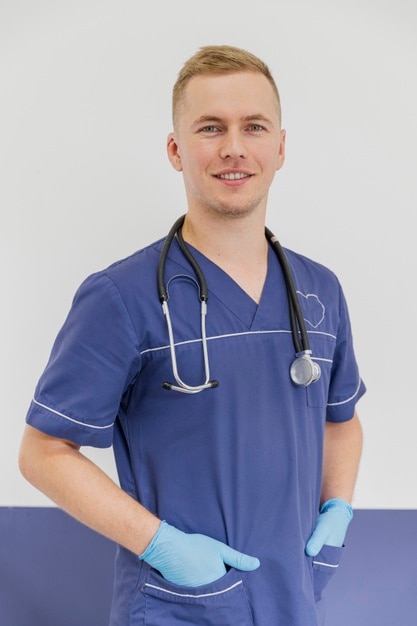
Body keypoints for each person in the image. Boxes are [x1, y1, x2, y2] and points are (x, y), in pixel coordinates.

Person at [19, 45, 365, 625]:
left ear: (280, 147)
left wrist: (337, 511)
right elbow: (44, 452)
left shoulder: (319, 291)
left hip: (295, 599)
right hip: (180, 605)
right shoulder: (121, 296)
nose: (234, 147)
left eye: (253, 126)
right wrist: (163, 547)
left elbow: (342, 420)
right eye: (211, 128)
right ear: (177, 150)